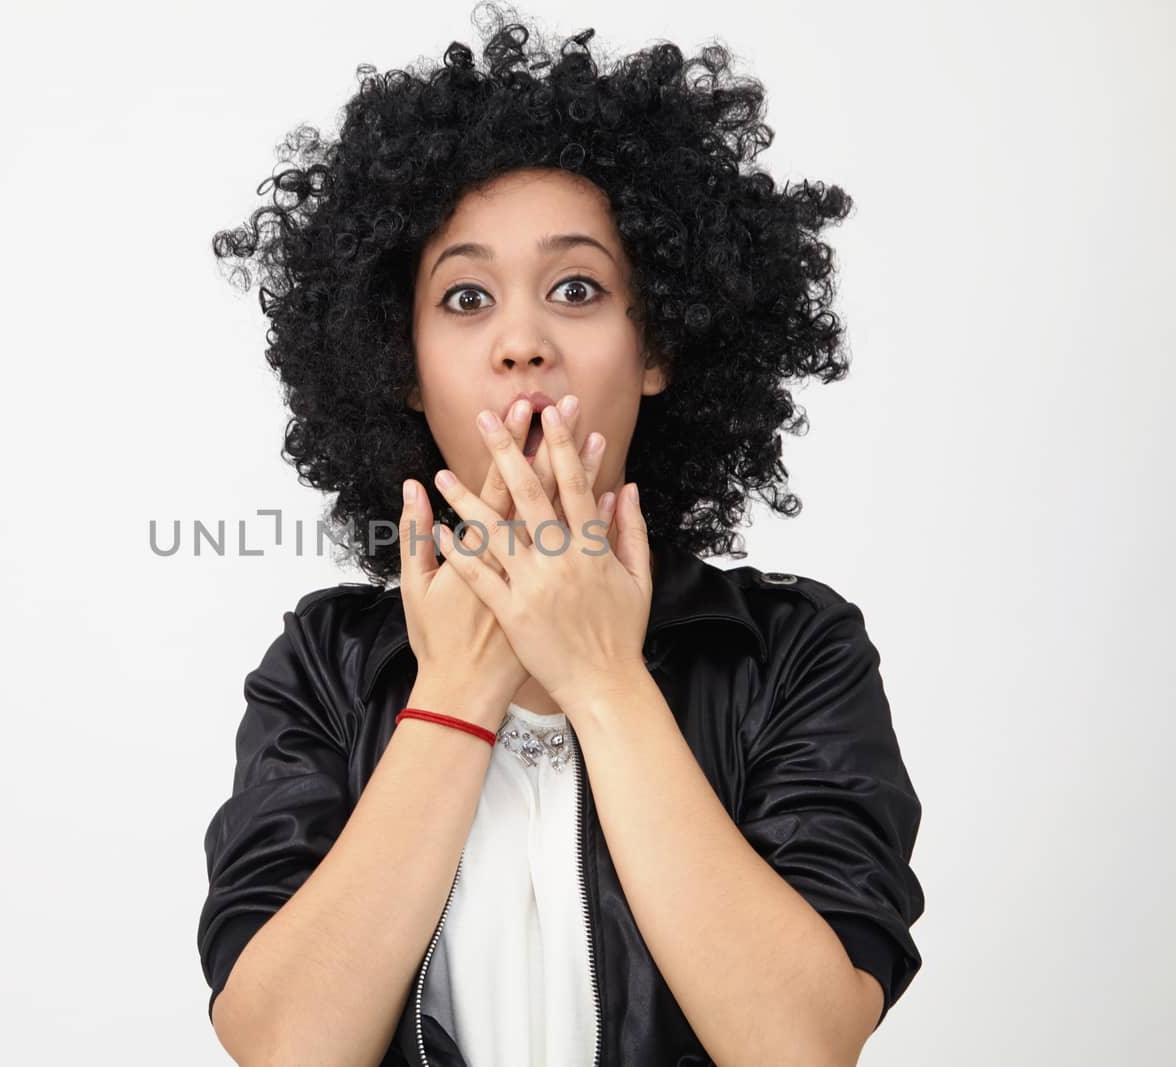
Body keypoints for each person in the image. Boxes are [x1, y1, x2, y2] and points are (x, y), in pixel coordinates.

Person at [196, 6, 925, 1064]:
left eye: (576, 288)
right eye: (465, 297)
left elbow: (800, 1042)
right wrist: (454, 692)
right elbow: (285, 1046)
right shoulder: (326, 666)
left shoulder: (789, 651)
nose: (521, 341)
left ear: (656, 345)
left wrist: (599, 678)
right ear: (401, 367)